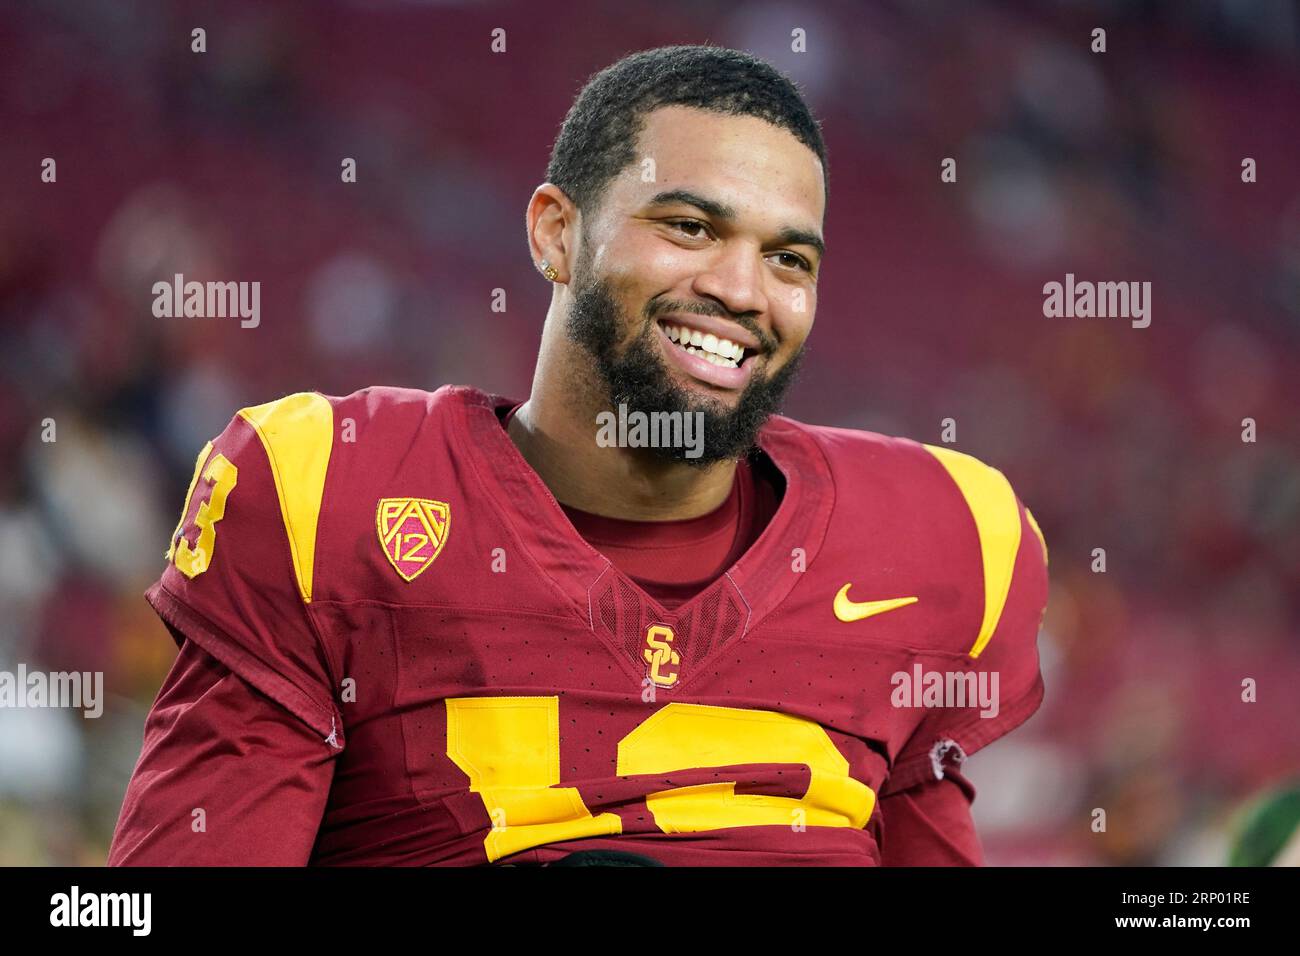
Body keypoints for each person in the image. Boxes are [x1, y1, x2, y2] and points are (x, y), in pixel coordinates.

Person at [109, 44, 1048, 866]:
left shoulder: (942, 540)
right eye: (691, 227)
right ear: (557, 233)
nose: (741, 289)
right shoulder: (326, 492)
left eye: (789, 259)